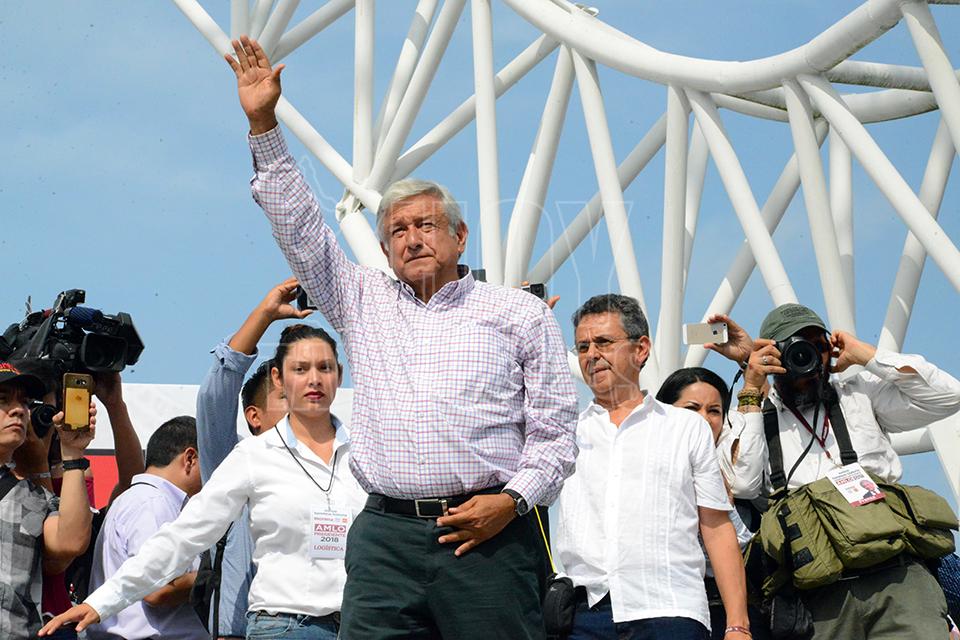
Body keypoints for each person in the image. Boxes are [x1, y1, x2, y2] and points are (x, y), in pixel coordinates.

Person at [223, 35, 578, 639]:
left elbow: (555, 436)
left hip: (487, 535)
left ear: (460, 236)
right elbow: (303, 231)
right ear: (385, 250)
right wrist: (264, 126)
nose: (412, 239)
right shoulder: (363, 301)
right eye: (397, 231)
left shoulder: (519, 314)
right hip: (385, 540)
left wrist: (512, 502)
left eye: (426, 225)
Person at [40, 324, 368, 640]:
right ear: (279, 377)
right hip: (285, 626)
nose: (314, 379)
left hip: (361, 623)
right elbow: (185, 535)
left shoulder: (367, 456)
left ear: (339, 375)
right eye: (300, 369)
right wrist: (101, 602)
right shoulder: (255, 455)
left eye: (324, 367)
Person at [740, 303, 960, 639]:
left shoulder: (859, 394)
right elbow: (742, 482)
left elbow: (948, 396)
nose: (806, 357)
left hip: (898, 577)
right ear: (772, 357)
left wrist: (866, 355)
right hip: (818, 591)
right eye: (793, 348)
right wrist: (751, 389)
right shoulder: (758, 418)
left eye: (816, 345)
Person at [557, 295, 750, 640]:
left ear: (641, 349)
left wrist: (738, 625)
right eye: (582, 347)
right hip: (585, 616)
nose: (591, 355)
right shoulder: (562, 431)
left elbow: (717, 527)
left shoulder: (686, 427)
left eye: (603, 342)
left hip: (671, 610)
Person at [195, 277, 309, 639]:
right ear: (254, 416)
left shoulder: (336, 471)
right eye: (285, 397)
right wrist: (265, 315)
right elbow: (216, 394)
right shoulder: (234, 465)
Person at [10, 363, 145, 639]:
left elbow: (131, 491)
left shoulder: (71, 477)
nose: (28, 418)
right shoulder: (11, 480)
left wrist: (115, 405)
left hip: (57, 621)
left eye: (46, 412)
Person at [656, 367, 768, 640]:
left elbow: (748, 479)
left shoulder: (731, 466)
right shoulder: (644, 472)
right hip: (668, 613)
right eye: (692, 408)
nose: (704, 419)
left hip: (736, 614)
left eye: (714, 411)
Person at [81, 416, 207, 640]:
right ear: (190, 458)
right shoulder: (153, 502)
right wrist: (216, 576)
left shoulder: (152, 500)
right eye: (211, 462)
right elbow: (157, 589)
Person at [0, 361, 96, 640]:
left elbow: (71, 542)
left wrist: (72, 452)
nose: (19, 410)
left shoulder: (33, 497)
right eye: (3, 400)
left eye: (25, 402)